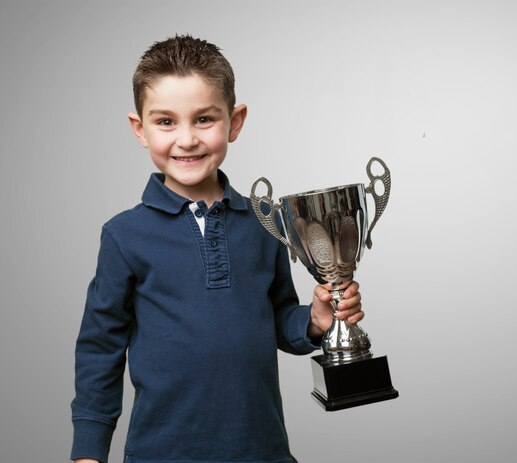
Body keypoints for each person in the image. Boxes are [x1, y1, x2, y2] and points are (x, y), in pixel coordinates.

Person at [70, 35, 364, 463]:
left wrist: (316, 321)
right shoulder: (123, 236)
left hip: (261, 451)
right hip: (161, 454)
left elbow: (279, 318)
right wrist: (88, 452)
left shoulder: (267, 224)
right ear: (140, 129)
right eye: (166, 122)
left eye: (204, 119)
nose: (186, 139)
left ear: (235, 120)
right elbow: (100, 349)